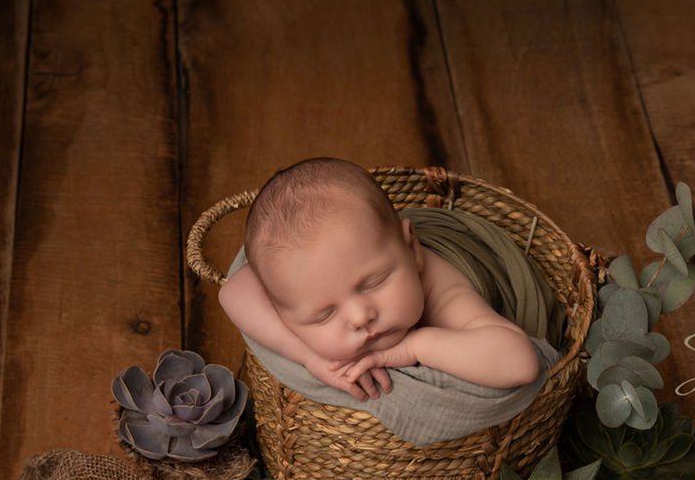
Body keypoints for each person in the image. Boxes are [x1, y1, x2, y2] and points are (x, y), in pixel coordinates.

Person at [218, 158, 541, 402]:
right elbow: (233, 292)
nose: (361, 317)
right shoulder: (299, 286)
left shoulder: (442, 288)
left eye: (374, 282)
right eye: (324, 314)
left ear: (411, 248)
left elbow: (520, 363)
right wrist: (311, 358)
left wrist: (416, 346)